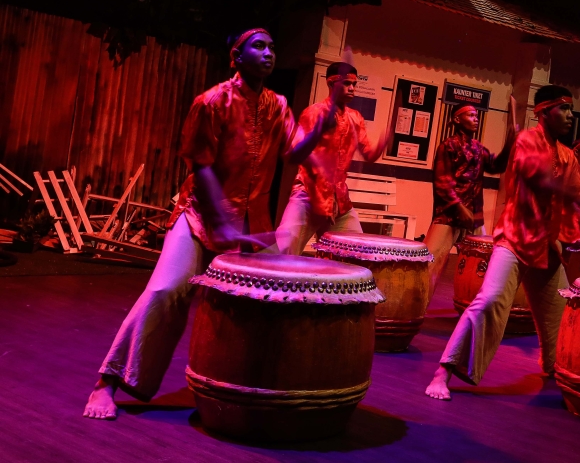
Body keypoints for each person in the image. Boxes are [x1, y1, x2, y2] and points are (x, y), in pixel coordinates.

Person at [83, 29, 334, 420]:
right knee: (166, 290)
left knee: (271, 301)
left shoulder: (279, 105)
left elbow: (294, 152)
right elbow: (199, 165)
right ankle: (107, 382)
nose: (269, 53)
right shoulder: (212, 101)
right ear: (236, 56)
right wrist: (220, 222)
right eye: (259, 46)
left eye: (272, 46)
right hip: (200, 215)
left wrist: (320, 126)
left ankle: (255, 390)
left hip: (251, 223)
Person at [425, 85, 580, 401]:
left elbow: (576, 195)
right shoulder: (526, 141)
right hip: (515, 239)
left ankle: (554, 368)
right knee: (490, 299)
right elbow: (540, 178)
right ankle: (444, 371)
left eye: (571, 110)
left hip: (547, 244)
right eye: (562, 109)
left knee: (559, 315)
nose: (569, 116)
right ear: (544, 112)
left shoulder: (566, 154)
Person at [272, 61, 389, 256]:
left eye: (354, 84)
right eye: (345, 83)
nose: (352, 88)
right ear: (331, 84)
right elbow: (298, 152)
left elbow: (369, 154)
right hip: (308, 196)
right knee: (284, 249)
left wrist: (384, 141)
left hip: (340, 201)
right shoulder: (314, 112)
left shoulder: (356, 118)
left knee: (358, 254)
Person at [424, 103, 515, 299]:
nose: (476, 119)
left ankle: (470, 308)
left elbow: (496, 165)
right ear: (457, 120)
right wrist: (459, 207)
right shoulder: (448, 146)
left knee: (481, 267)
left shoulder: (477, 148)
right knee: (429, 265)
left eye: (476, 116)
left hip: (473, 217)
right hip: (448, 216)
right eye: (471, 115)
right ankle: (416, 309)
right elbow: (442, 183)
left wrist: (509, 143)